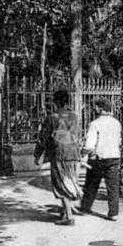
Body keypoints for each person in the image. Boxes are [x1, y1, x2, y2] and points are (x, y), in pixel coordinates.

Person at [34, 90, 82, 225]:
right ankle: (65, 211)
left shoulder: (52, 117)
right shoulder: (74, 116)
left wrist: (37, 155)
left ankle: (69, 216)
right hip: (73, 153)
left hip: (59, 153)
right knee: (70, 180)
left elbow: (43, 138)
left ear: (56, 102)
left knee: (61, 183)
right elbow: (78, 134)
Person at [80, 98, 121, 220]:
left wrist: (83, 152)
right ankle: (113, 213)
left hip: (98, 158)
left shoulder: (95, 124)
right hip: (114, 156)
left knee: (91, 184)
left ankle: (85, 207)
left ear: (101, 108)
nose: (94, 109)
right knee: (113, 186)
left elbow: (90, 144)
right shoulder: (116, 123)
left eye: (96, 107)